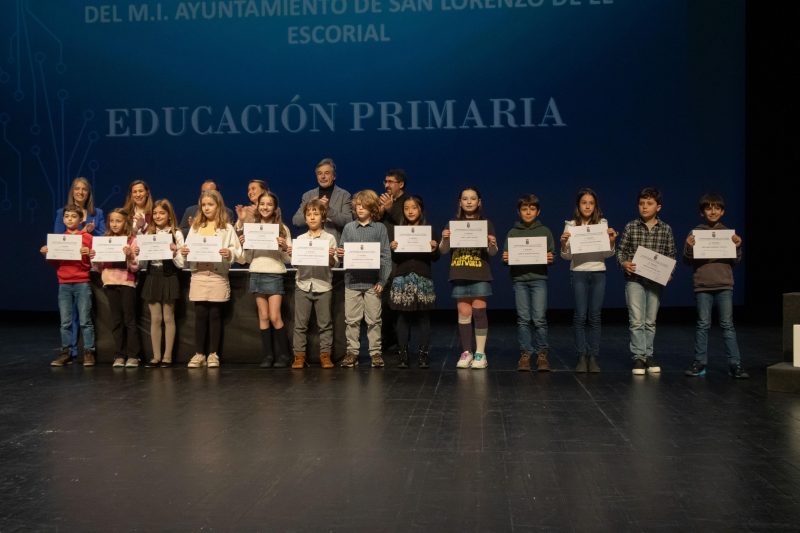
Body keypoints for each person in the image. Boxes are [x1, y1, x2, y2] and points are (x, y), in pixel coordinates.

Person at [683, 193, 748, 379]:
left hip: (724, 285)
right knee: (703, 324)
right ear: (702, 212)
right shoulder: (695, 233)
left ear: (722, 211)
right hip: (703, 286)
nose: (713, 211)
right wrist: (689, 246)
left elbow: (736, 261)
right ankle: (700, 362)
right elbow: (686, 260)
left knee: (727, 325)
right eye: (708, 208)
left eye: (717, 208)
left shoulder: (729, 234)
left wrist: (738, 246)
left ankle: (735, 364)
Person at [616, 187, 676, 376]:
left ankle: (648, 354)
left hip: (655, 282)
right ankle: (638, 357)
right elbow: (621, 251)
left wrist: (669, 271)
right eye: (641, 203)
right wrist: (624, 263)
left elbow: (671, 254)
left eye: (649, 204)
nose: (644, 207)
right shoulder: (631, 227)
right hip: (635, 280)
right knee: (636, 320)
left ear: (658, 207)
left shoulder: (665, 229)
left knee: (650, 321)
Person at [180, 190, 242, 368]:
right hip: (199, 275)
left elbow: (239, 253)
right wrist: (184, 252)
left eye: (210, 205)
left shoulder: (227, 228)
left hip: (217, 275)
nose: (206, 208)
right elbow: (188, 249)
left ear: (218, 206)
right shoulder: (196, 226)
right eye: (204, 205)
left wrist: (229, 252)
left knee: (215, 314)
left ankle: (213, 354)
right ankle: (199, 353)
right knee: (200, 314)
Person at [439, 186, 498, 370]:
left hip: (480, 273)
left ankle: (480, 353)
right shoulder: (452, 224)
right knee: (464, 313)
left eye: (473, 198)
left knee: (479, 312)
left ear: (479, 202)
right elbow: (443, 250)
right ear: (460, 202)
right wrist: (444, 238)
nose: (469, 201)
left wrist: (492, 244)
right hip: (459, 273)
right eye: (465, 198)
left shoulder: (486, 223)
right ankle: (466, 352)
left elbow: (493, 252)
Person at [560, 188, 618, 373]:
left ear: (595, 206)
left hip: (598, 272)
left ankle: (593, 356)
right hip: (578, 272)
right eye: (584, 202)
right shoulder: (571, 225)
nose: (587, 206)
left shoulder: (602, 223)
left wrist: (610, 241)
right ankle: (581, 356)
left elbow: (608, 254)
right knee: (580, 316)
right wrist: (563, 244)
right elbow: (567, 257)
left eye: (591, 203)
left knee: (595, 316)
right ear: (578, 205)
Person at [337, 190, 392, 368]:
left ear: (372, 208)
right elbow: (341, 251)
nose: (360, 209)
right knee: (351, 320)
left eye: (364, 206)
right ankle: (352, 352)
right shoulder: (349, 228)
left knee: (374, 320)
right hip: (352, 282)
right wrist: (340, 253)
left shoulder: (379, 228)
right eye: (357, 206)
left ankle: (375, 352)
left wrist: (382, 281)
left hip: (372, 283)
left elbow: (385, 257)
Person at [53, 177, 105, 360]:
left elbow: (104, 237)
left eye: (84, 189)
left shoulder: (96, 212)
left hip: (88, 269)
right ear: (72, 191)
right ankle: (70, 350)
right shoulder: (62, 212)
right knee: (68, 317)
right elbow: (59, 239)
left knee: (86, 315)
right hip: (68, 270)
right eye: (77, 188)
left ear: (88, 193)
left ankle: (88, 350)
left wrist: (90, 231)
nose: (80, 192)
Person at [502, 194, 555, 372]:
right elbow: (506, 256)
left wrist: (549, 257)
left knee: (539, 318)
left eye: (532, 209)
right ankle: (526, 353)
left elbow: (551, 254)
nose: (528, 212)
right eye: (524, 209)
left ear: (538, 211)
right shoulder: (512, 232)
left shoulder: (545, 231)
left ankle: (542, 354)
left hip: (539, 279)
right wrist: (506, 257)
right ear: (519, 212)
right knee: (524, 319)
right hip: (520, 280)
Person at [240, 191, 292, 369]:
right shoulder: (252, 228)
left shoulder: (282, 229)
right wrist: (244, 244)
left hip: (274, 273)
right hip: (256, 271)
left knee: (275, 316)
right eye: (262, 204)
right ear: (257, 206)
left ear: (275, 208)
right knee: (263, 316)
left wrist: (285, 247)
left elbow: (288, 259)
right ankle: (268, 355)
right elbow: (246, 258)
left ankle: (284, 355)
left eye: (269, 204)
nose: (265, 207)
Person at [40, 204, 96, 367]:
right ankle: (66, 352)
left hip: (82, 282)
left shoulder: (87, 238)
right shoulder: (59, 239)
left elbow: (93, 261)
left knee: (85, 320)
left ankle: (89, 352)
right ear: (63, 219)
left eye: (73, 216)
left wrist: (88, 254)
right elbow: (56, 263)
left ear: (80, 219)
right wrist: (47, 254)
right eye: (67, 216)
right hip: (64, 283)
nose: (69, 219)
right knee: (65, 321)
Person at [388, 195, 439, 368]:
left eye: (414, 207)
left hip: (423, 278)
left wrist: (434, 247)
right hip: (402, 278)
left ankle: (423, 355)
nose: (410, 211)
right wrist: (392, 248)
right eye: (407, 208)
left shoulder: (428, 230)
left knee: (424, 318)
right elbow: (394, 257)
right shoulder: (399, 231)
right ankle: (403, 355)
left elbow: (436, 257)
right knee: (402, 317)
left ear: (420, 210)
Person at [288, 199, 339, 370]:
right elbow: (295, 264)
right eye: (309, 214)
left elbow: (335, 264)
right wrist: (292, 255)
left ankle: (325, 355)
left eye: (316, 214)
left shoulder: (330, 238)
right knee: (300, 325)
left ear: (323, 217)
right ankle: (299, 356)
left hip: (323, 285)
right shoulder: (301, 239)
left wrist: (330, 256)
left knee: (325, 324)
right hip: (303, 284)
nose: (312, 217)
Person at [91, 209, 141, 368]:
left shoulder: (132, 240)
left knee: (129, 320)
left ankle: (133, 356)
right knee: (116, 321)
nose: (114, 224)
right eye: (112, 221)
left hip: (126, 283)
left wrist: (130, 256)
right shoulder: (104, 240)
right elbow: (99, 267)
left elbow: (135, 267)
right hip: (110, 283)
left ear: (125, 222)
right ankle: (120, 355)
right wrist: (94, 258)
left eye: (118, 221)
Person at [140, 199, 185, 368]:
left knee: (168, 317)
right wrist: (139, 253)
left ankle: (167, 356)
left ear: (169, 215)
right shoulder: (148, 233)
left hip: (169, 276)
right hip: (153, 276)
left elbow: (182, 264)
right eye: (156, 213)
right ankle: (156, 356)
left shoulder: (176, 233)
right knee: (155, 318)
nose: (158, 216)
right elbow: (142, 264)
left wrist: (175, 252)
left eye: (162, 213)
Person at [292, 158, 352, 242]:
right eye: (319, 173)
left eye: (327, 173)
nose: (323, 177)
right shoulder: (308, 195)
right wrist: (309, 207)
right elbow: (296, 221)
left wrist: (328, 210)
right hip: (311, 246)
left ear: (334, 176)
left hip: (333, 246)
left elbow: (348, 221)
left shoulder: (344, 195)